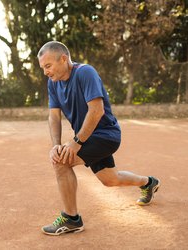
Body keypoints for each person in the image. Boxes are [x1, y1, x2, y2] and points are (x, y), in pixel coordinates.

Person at [37, 41, 160, 236]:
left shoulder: (85, 73)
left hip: (105, 135)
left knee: (61, 162)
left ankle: (71, 219)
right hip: (87, 137)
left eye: (48, 66)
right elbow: (54, 116)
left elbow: (96, 110)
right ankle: (148, 182)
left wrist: (75, 143)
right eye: (43, 68)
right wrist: (56, 145)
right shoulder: (53, 84)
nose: (45, 72)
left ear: (63, 59)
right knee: (110, 179)